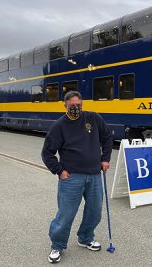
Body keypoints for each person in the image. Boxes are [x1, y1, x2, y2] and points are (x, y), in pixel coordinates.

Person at [41, 91, 113, 263]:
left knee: (95, 211)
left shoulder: (93, 119)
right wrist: (59, 171)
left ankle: (86, 238)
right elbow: (47, 152)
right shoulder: (59, 126)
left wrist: (105, 159)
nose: (76, 108)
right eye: (72, 105)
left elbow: (108, 137)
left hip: (94, 175)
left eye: (79, 105)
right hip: (71, 177)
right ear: (65, 105)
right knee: (66, 214)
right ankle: (57, 245)